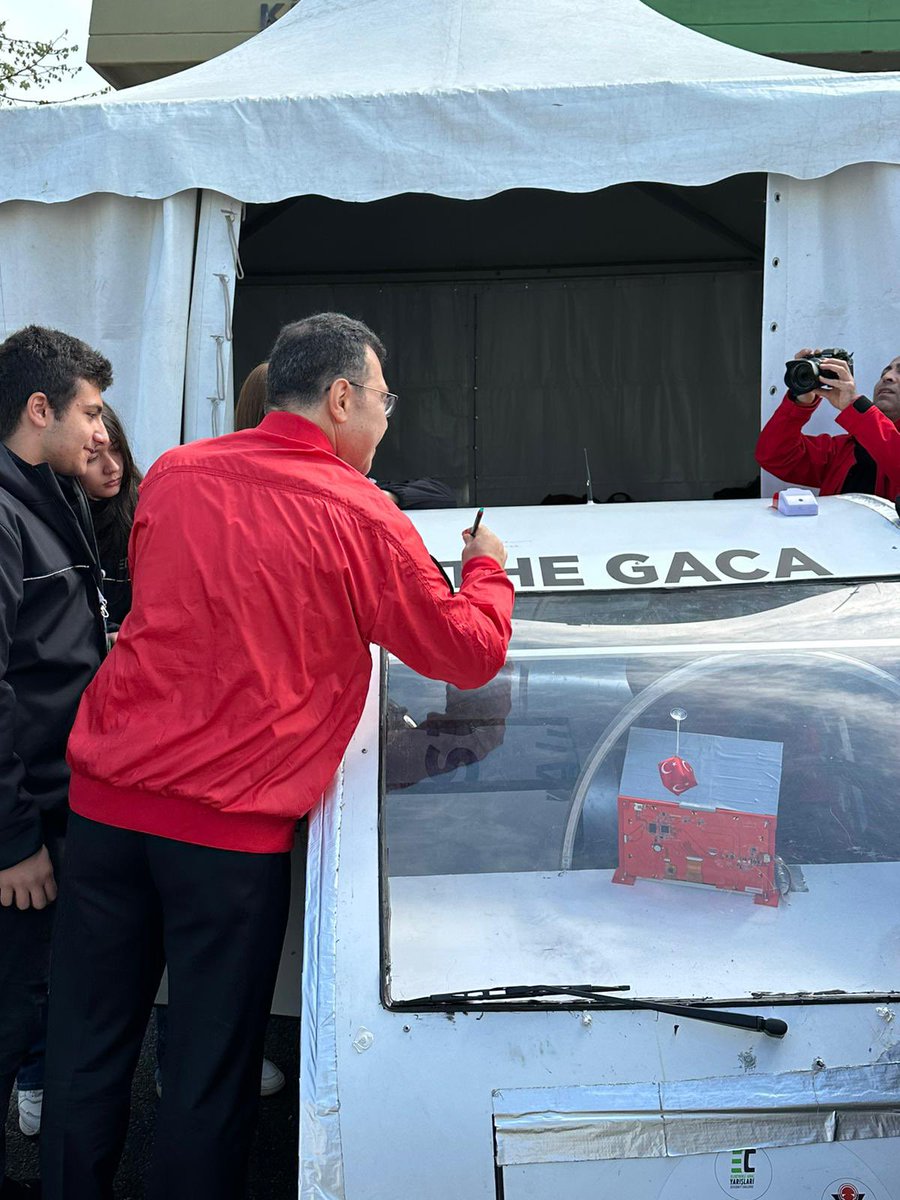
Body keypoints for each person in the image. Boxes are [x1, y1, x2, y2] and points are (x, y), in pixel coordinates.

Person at [42, 312, 514, 1200]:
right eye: (382, 401)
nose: (384, 421)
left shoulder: (177, 474)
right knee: (207, 1075)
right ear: (341, 398)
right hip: (228, 839)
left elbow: (162, 606)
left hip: (104, 810)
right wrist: (486, 569)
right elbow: (467, 652)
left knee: (87, 1047)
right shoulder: (361, 514)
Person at [0, 326, 112, 1199]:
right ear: (39, 409)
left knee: (49, 1007)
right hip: (25, 826)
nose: (100, 433)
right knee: (10, 1018)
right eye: (89, 411)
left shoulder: (52, 496)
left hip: (64, 805)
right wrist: (12, 842)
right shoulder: (3, 513)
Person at [756, 349, 900, 497]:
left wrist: (855, 407)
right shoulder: (844, 450)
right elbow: (775, 456)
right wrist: (800, 402)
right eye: (884, 372)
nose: (887, 377)